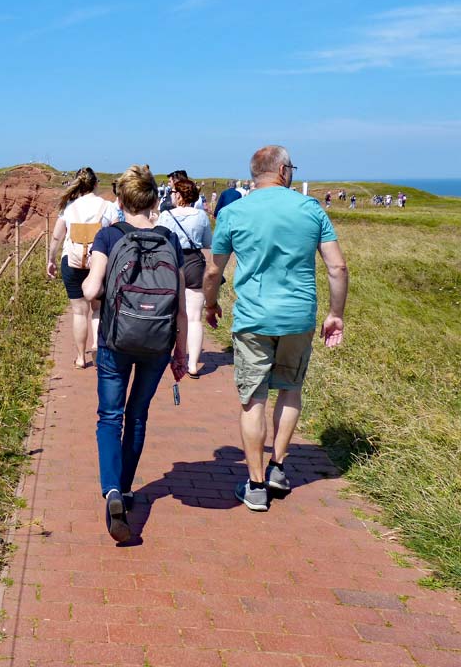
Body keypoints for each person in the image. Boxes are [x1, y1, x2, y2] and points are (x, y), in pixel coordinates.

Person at [203, 146, 348, 512]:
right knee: (290, 389)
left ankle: (254, 486)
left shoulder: (233, 212)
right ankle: (278, 467)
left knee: (253, 398)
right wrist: (336, 314)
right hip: (298, 316)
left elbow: (213, 271)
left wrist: (210, 303)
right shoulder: (311, 209)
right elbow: (337, 268)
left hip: (253, 317)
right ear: (283, 170)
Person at [82, 164, 187, 541]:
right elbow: (180, 307)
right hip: (157, 342)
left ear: (121, 199)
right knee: (137, 414)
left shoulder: (109, 237)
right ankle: (126, 489)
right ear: (152, 199)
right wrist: (181, 353)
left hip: (115, 339)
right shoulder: (169, 240)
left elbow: (92, 291)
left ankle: (111, 490)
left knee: (110, 416)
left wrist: (91, 268)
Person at [47, 167, 115, 369]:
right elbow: (117, 232)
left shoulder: (69, 208)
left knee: (79, 312)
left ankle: (80, 357)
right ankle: (96, 346)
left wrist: (50, 259)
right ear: (95, 184)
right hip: (98, 263)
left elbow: (57, 237)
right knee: (97, 308)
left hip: (72, 262)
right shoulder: (107, 206)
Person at [156, 176, 212, 377]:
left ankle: (165, 353)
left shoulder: (166, 216)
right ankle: (193, 364)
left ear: (178, 195)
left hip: (170, 261)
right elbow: (207, 243)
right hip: (194, 262)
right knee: (195, 316)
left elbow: (159, 240)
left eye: (173, 192)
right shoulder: (201, 216)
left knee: (169, 311)